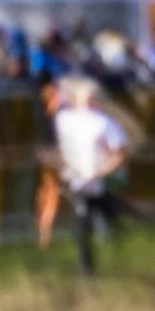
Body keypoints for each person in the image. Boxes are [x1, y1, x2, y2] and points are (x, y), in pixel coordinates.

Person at [50, 73, 134, 275]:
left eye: (91, 97)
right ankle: (86, 268)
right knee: (83, 219)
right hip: (78, 179)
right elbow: (65, 147)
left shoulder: (104, 123)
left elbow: (121, 153)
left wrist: (101, 172)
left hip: (99, 180)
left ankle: (118, 240)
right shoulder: (65, 119)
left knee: (104, 212)